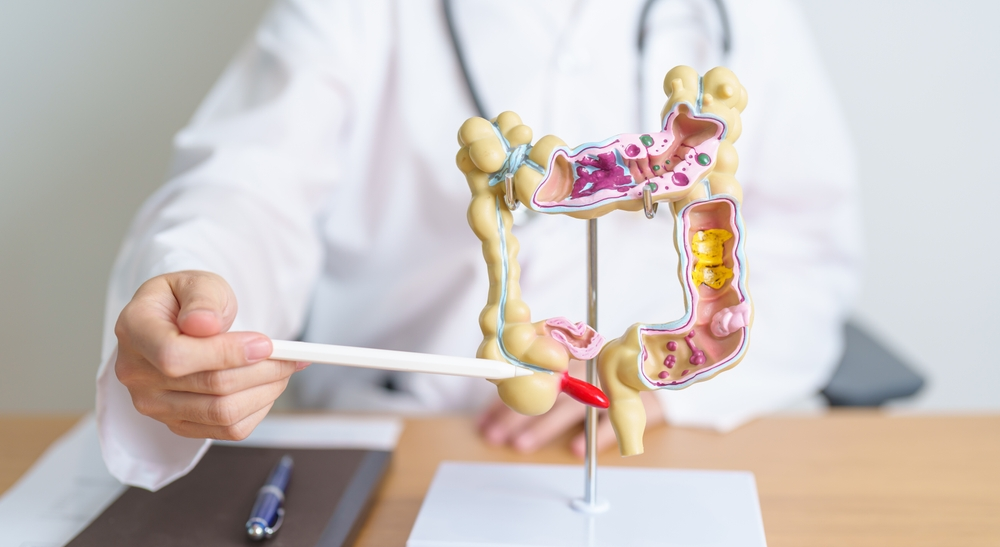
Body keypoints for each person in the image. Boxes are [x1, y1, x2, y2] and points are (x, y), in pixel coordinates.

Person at [99, 0, 861, 491]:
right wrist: (202, 285)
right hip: (401, 446)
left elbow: (806, 250)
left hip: (653, 457)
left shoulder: (745, 17)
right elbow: (252, 185)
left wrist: (669, 376)